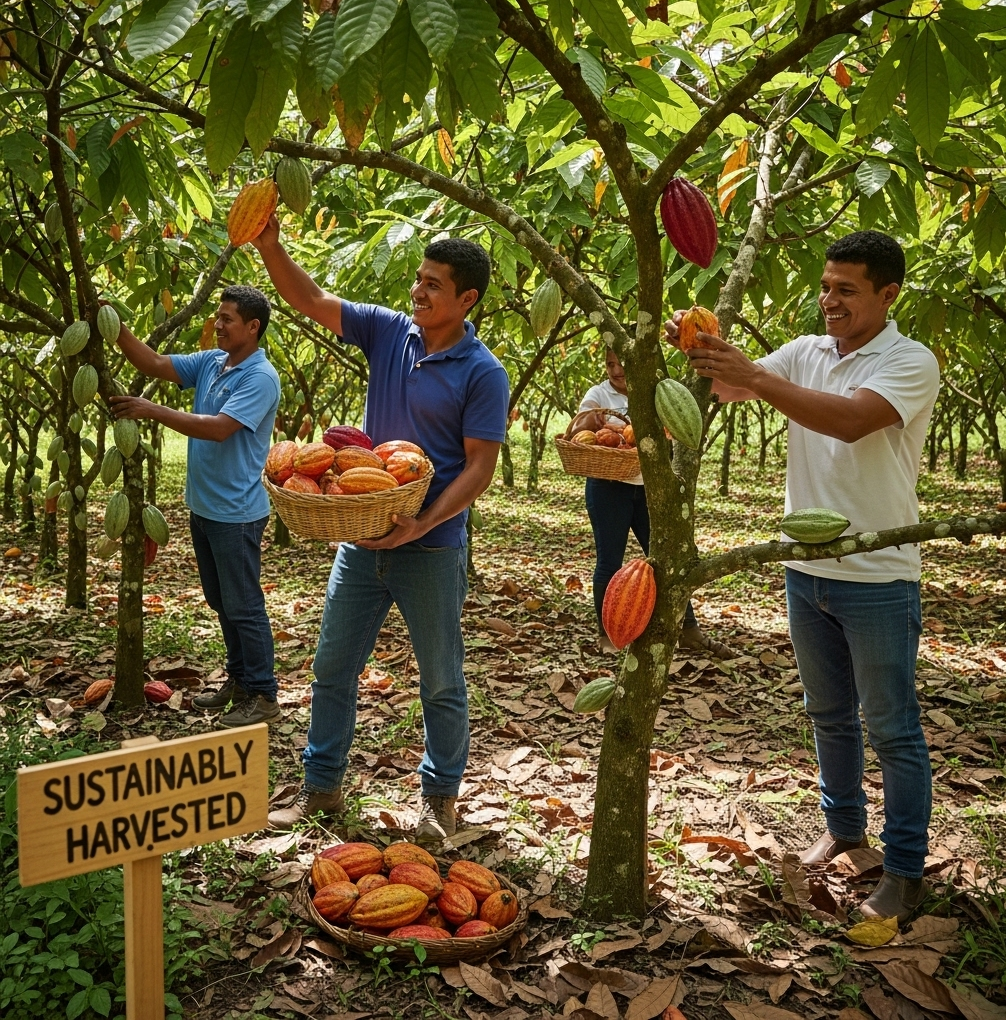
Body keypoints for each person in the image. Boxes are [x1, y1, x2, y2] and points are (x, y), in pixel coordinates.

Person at [666, 230, 940, 921]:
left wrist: (758, 377)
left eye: (846, 290)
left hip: (878, 575)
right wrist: (698, 346)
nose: (829, 301)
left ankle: (905, 871)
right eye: (826, 287)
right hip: (804, 568)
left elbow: (852, 422)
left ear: (888, 294)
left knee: (892, 728)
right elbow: (734, 386)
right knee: (828, 715)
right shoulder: (807, 352)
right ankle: (845, 829)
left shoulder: (910, 361)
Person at [251, 218, 509, 841]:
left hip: (432, 548)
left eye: (434, 286)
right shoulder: (390, 332)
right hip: (361, 541)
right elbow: (310, 300)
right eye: (418, 280)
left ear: (467, 299)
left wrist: (424, 520)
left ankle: (439, 798)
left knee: (441, 678)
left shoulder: (482, 371)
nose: (418, 294)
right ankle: (322, 791)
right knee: (332, 668)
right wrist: (268, 245)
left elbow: (481, 465)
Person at [108, 285, 282, 727]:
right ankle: (240, 681)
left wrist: (152, 410)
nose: (217, 325)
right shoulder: (210, 362)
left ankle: (263, 695)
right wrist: (109, 321)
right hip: (205, 508)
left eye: (226, 319)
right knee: (221, 600)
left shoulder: (259, 377)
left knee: (243, 605)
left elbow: (221, 428)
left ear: (252, 327)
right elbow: (152, 362)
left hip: (237, 512)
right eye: (217, 317)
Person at [565, 347, 731, 657]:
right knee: (609, 562)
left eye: (621, 364)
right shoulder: (598, 394)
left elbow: (670, 428)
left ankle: (689, 629)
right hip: (608, 488)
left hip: (647, 489)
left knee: (664, 560)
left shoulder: (651, 391)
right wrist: (599, 424)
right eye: (609, 363)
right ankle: (608, 635)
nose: (615, 370)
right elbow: (578, 432)